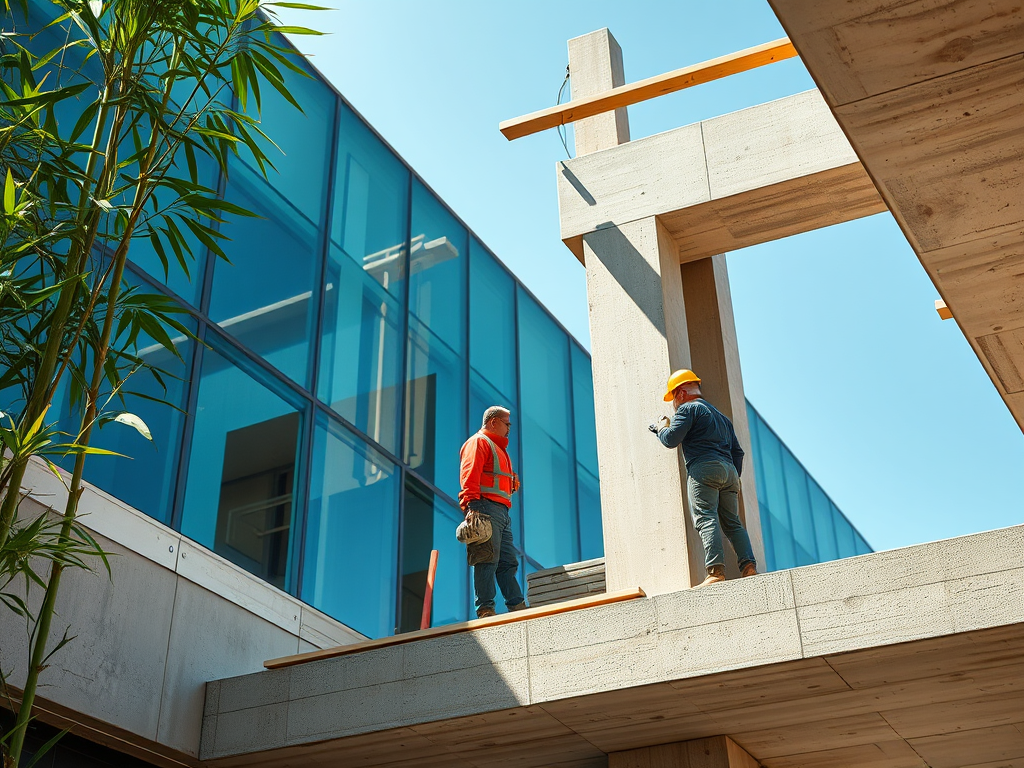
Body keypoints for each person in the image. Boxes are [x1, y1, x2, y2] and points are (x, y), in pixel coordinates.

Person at [649, 369, 758, 587]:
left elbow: (671, 440)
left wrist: (662, 428)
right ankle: (749, 568)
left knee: (706, 518)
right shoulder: (722, 418)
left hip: (703, 468)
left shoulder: (688, 409)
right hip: (729, 472)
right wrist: (733, 477)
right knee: (733, 523)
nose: (675, 405)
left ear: (680, 393)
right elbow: (738, 452)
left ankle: (716, 572)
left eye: (674, 399)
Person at [459, 406, 527, 618]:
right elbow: (469, 474)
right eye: (507, 424)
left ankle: (516, 605)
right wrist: (473, 507)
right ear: (493, 422)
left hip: (501, 512)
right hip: (485, 508)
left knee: (507, 562)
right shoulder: (479, 442)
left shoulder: (499, 449)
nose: (509, 428)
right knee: (486, 558)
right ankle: (485, 609)